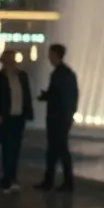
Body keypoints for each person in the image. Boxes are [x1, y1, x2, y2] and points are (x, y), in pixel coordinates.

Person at [35, 43, 77, 191]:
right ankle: (52, 180)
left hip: (58, 118)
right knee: (54, 149)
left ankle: (64, 182)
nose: (49, 58)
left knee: (59, 149)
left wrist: (47, 96)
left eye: (50, 54)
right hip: (60, 117)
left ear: (56, 55)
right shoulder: (64, 73)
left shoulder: (62, 74)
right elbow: (70, 96)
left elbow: (62, 96)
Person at [0, 49, 33, 193]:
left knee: (15, 148)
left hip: (19, 117)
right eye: (9, 59)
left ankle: (12, 178)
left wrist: (28, 112)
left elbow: (27, 94)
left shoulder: (22, 75)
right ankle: (7, 179)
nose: (12, 61)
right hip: (5, 118)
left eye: (13, 58)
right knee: (7, 148)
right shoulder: (1, 77)